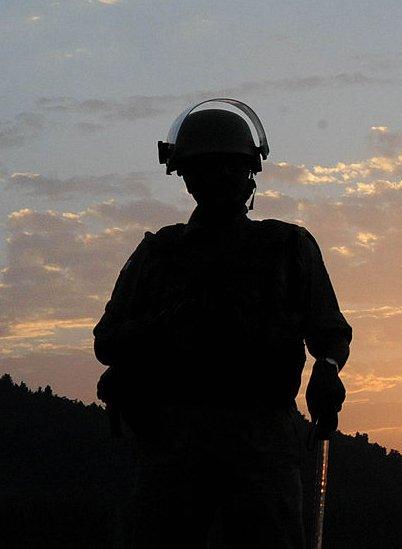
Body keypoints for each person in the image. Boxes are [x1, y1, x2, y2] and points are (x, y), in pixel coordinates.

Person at [93, 99, 351, 548]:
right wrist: (165, 327)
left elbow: (328, 331)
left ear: (249, 171)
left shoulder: (288, 247)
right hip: (176, 444)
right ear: (187, 177)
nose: (222, 180)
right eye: (210, 169)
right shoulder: (159, 255)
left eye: (231, 168)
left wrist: (327, 369)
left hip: (260, 440)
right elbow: (109, 341)